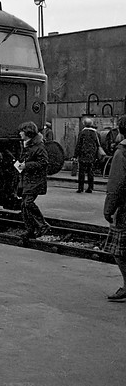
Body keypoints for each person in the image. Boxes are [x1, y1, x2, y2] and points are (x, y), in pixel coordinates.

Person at [103, 115, 126, 302]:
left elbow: (116, 186)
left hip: (125, 210)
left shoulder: (122, 153)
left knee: (119, 251)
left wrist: (108, 209)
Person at [16, 120, 50, 239]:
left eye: (22, 132)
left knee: (28, 203)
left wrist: (27, 165)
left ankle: (42, 225)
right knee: (24, 206)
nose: (20, 134)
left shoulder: (39, 146)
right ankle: (30, 230)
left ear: (27, 133)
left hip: (35, 180)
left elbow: (44, 163)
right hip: (28, 180)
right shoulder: (28, 145)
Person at [75, 117, 102, 193]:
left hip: (83, 155)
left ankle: (80, 188)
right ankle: (90, 188)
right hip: (92, 155)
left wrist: (75, 155)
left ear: (84, 124)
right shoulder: (96, 133)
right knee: (90, 172)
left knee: (81, 172)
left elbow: (78, 145)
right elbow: (98, 144)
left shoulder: (82, 133)